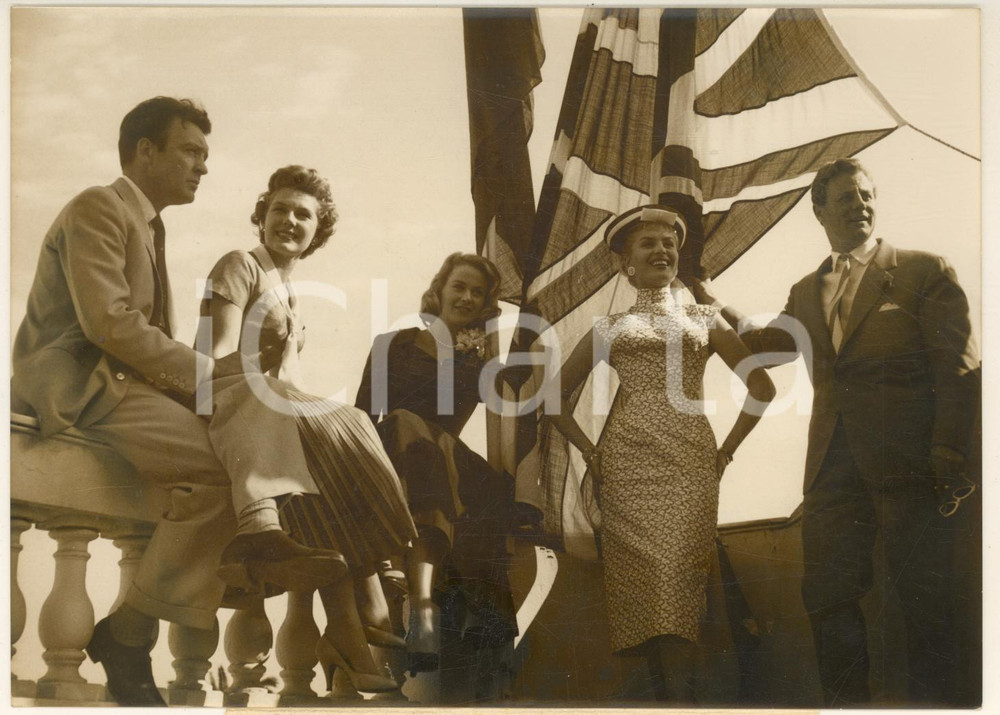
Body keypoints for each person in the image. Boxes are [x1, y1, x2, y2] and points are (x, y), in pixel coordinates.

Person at [10, 96, 341, 705]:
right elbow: (108, 323)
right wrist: (214, 381)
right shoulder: (98, 206)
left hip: (121, 388)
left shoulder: (149, 225)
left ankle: (130, 630)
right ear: (145, 150)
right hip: (79, 387)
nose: (203, 167)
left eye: (204, 155)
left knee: (235, 464)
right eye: (191, 151)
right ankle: (130, 635)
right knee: (234, 456)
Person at [692, 158, 980, 706]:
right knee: (826, 594)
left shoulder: (923, 269)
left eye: (867, 195)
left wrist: (948, 447)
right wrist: (708, 300)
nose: (860, 206)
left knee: (923, 595)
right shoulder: (807, 289)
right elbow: (764, 346)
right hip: (831, 469)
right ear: (819, 210)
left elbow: (958, 367)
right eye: (846, 198)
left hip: (912, 461)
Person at [198, 165, 418, 693]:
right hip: (233, 402)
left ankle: (349, 628)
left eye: (303, 214)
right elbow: (214, 357)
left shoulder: (289, 292)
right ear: (261, 215)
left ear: (318, 231)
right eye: (279, 209)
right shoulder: (240, 265)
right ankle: (365, 613)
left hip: (272, 413)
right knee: (350, 422)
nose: (289, 220)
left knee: (338, 459)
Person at [547, 204, 776, 704]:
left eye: (669, 243)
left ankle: (683, 703)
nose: (662, 250)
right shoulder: (609, 327)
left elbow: (762, 386)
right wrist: (592, 453)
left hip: (690, 464)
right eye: (647, 244)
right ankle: (665, 702)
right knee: (644, 598)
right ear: (624, 263)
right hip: (626, 470)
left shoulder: (705, 317)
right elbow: (552, 400)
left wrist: (727, 452)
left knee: (676, 584)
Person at [355, 253, 518, 678]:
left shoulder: (478, 362)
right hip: (392, 455)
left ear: (485, 306)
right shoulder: (393, 344)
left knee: (488, 481)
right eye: (459, 286)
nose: (466, 297)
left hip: (444, 463)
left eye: (477, 293)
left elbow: (523, 395)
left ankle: (437, 605)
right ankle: (421, 603)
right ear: (439, 290)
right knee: (409, 424)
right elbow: (362, 417)